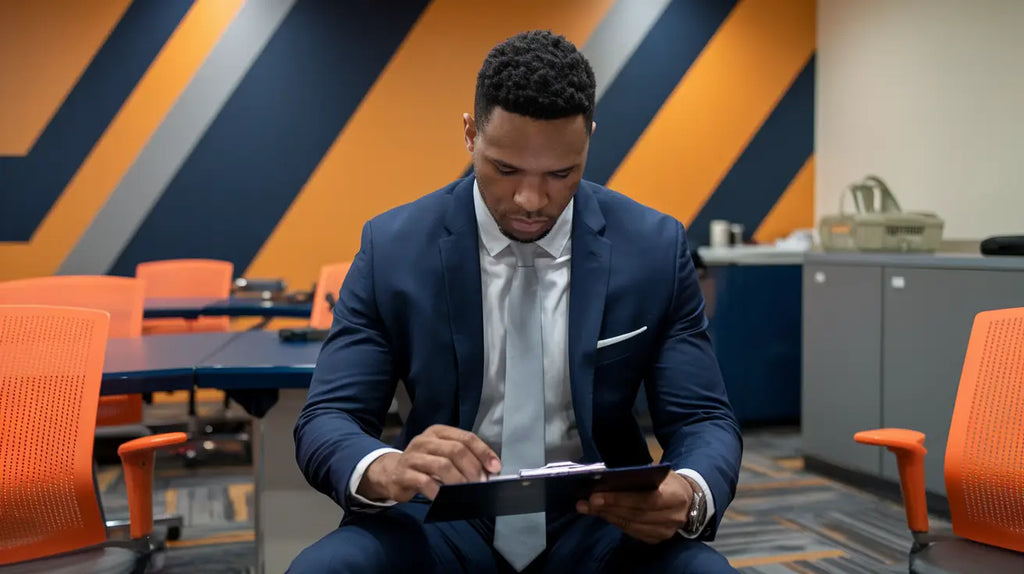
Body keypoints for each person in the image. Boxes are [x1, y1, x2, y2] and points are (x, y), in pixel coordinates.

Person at [290, 30, 742, 573]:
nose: (531, 200)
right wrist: (386, 467)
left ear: (588, 143)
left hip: (602, 522)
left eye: (560, 174)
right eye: (505, 170)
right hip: (438, 519)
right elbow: (329, 416)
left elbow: (704, 418)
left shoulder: (653, 248)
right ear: (469, 133)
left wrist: (690, 493)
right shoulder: (393, 248)